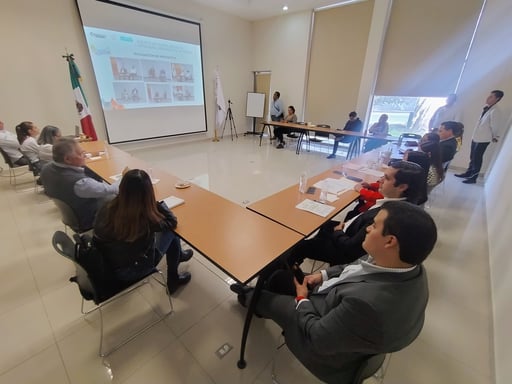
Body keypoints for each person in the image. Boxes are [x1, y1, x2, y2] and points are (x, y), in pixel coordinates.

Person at [231, 201, 437, 384]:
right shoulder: (407, 266)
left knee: (270, 293)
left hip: (323, 343)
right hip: (338, 309)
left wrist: (302, 299)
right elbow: (357, 267)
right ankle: (262, 292)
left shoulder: (368, 305)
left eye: (374, 226)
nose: (367, 229)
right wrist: (322, 275)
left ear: (390, 241)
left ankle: (248, 296)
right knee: (280, 275)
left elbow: (316, 338)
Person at [287, 160, 427, 267]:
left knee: (299, 247)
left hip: (345, 250)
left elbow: (350, 249)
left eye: (387, 178)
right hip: (350, 230)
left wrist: (338, 233)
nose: (380, 180)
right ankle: (317, 249)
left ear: (402, 187)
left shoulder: (386, 215)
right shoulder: (400, 203)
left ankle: (290, 273)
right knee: (324, 225)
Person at [93, 169, 192, 293]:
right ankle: (173, 278)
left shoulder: (108, 205)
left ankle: (179, 256)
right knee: (171, 232)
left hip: (108, 265)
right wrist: (154, 203)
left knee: (166, 231)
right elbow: (171, 221)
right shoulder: (142, 217)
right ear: (147, 192)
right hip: (132, 270)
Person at [40, 137, 119, 230]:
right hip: (89, 217)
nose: (85, 156)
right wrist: (122, 178)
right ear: (67, 159)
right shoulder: (80, 183)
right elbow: (112, 189)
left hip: (70, 211)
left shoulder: (46, 168)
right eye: (82, 154)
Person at [456, 90, 505, 184]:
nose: (488, 98)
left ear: (497, 99)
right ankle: (468, 173)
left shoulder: (495, 111)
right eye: (489, 96)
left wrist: (495, 137)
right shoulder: (487, 108)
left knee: (477, 158)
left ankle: (473, 178)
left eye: (491, 97)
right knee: (472, 156)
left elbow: (495, 126)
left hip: (483, 139)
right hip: (476, 137)